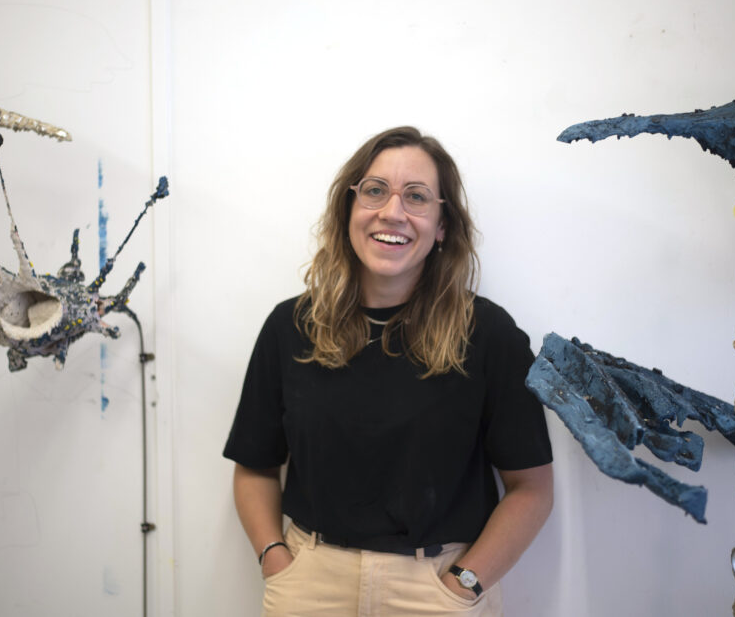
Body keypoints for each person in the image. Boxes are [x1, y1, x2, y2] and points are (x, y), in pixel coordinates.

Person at [223, 126, 553, 616]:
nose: (392, 211)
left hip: (436, 589)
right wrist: (277, 558)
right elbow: (254, 466)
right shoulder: (291, 327)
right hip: (310, 586)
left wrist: (463, 584)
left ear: (443, 225)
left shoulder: (489, 335)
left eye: (416, 197)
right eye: (375, 190)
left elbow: (532, 490)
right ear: (350, 208)